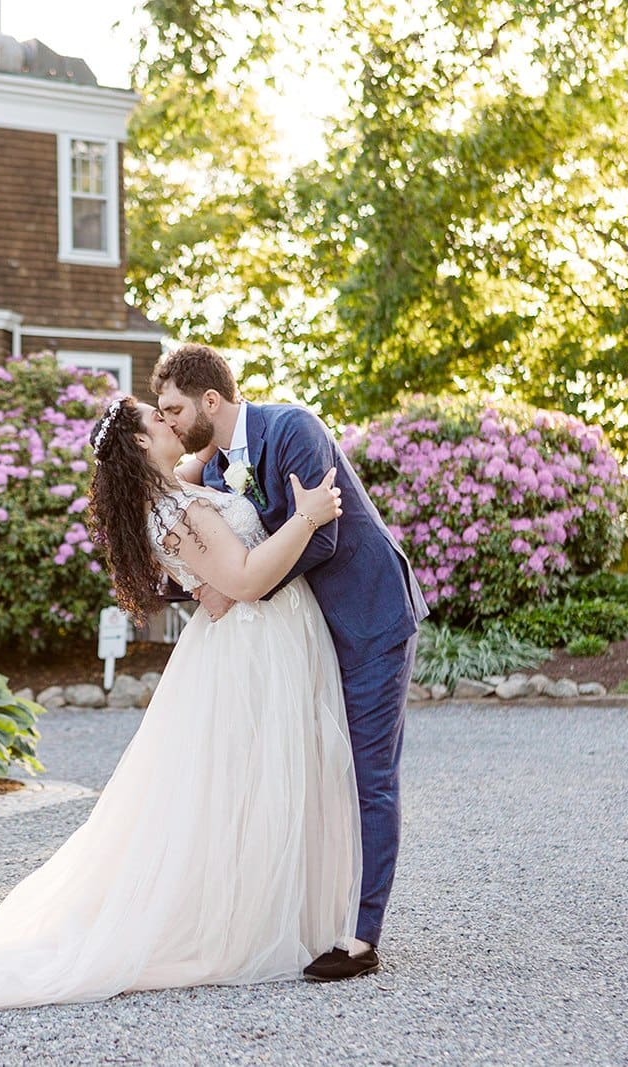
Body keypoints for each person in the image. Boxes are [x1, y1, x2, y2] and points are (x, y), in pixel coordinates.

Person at [0, 394, 363, 1016]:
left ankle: (277, 905)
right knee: (249, 780)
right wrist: (307, 517)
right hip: (253, 647)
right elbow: (242, 581)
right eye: (159, 419)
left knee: (250, 782)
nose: (170, 423)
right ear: (139, 443)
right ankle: (245, 920)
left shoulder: (172, 491)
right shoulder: (178, 511)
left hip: (256, 640)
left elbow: (208, 473)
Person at [151, 344, 428, 981]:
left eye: (173, 409)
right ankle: (306, 911)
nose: (167, 423)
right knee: (314, 769)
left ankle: (361, 937)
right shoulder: (218, 470)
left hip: (368, 616)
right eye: (160, 414)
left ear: (211, 402)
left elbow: (322, 536)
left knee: (367, 772)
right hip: (307, 635)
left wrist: (242, 585)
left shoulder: (295, 428)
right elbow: (218, 535)